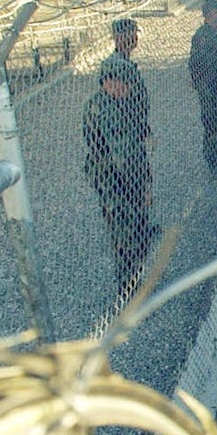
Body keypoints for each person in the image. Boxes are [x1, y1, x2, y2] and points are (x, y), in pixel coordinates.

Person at [84, 48, 158, 300]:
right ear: (109, 82)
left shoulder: (112, 102)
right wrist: (142, 189)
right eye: (124, 84)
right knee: (125, 231)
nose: (128, 89)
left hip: (117, 175)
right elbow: (126, 157)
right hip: (115, 179)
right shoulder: (107, 111)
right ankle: (130, 290)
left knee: (132, 227)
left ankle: (134, 280)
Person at [188, 0, 217, 171]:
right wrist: (216, 93)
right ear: (212, 13)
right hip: (211, 92)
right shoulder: (203, 37)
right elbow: (200, 67)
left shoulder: (214, 33)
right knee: (213, 126)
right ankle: (215, 164)